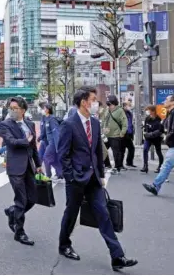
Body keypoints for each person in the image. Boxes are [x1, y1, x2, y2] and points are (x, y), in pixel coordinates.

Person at [57, 87, 137, 271]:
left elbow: (96, 152)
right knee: (71, 213)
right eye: (93, 100)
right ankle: (64, 244)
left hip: (93, 178)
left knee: (103, 214)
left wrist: (101, 175)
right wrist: (71, 177)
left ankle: (117, 256)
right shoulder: (68, 124)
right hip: (76, 179)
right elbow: (63, 154)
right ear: (84, 102)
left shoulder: (94, 123)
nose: (96, 104)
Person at [0, 96, 42, 246]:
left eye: (15, 108)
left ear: (23, 110)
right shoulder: (4, 125)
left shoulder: (29, 124)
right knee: (21, 200)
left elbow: (34, 147)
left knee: (33, 199)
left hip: (29, 166)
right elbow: (11, 142)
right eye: (11, 108)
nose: (12, 111)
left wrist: (38, 163)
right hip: (15, 167)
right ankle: (20, 232)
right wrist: (26, 141)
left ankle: (12, 212)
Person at [102, 95, 127, 174]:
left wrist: (122, 132)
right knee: (102, 149)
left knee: (116, 152)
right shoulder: (107, 110)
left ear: (114, 103)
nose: (109, 106)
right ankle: (107, 164)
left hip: (116, 135)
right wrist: (103, 128)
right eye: (108, 104)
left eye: (110, 104)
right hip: (107, 135)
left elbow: (124, 122)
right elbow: (104, 120)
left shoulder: (120, 110)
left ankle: (117, 167)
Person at [39, 103, 62, 180]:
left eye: (44, 108)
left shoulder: (52, 119)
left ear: (48, 110)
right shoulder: (45, 118)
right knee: (52, 159)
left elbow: (56, 133)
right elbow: (44, 131)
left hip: (52, 142)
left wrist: (57, 147)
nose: (42, 109)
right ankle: (61, 173)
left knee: (46, 157)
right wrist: (40, 137)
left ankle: (49, 175)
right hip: (47, 141)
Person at [141, 105, 164, 174]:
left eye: (149, 110)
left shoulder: (159, 119)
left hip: (157, 138)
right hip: (148, 138)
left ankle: (160, 166)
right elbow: (145, 127)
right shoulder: (147, 118)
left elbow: (161, 130)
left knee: (158, 152)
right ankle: (145, 166)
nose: (147, 112)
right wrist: (145, 133)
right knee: (145, 149)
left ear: (153, 111)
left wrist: (152, 134)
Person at [122, 102, 135, 168]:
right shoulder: (122, 113)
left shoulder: (129, 113)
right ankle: (121, 164)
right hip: (124, 134)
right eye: (128, 105)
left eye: (130, 105)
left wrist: (132, 133)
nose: (129, 107)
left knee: (131, 148)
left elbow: (130, 124)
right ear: (124, 106)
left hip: (129, 133)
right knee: (123, 149)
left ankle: (129, 162)